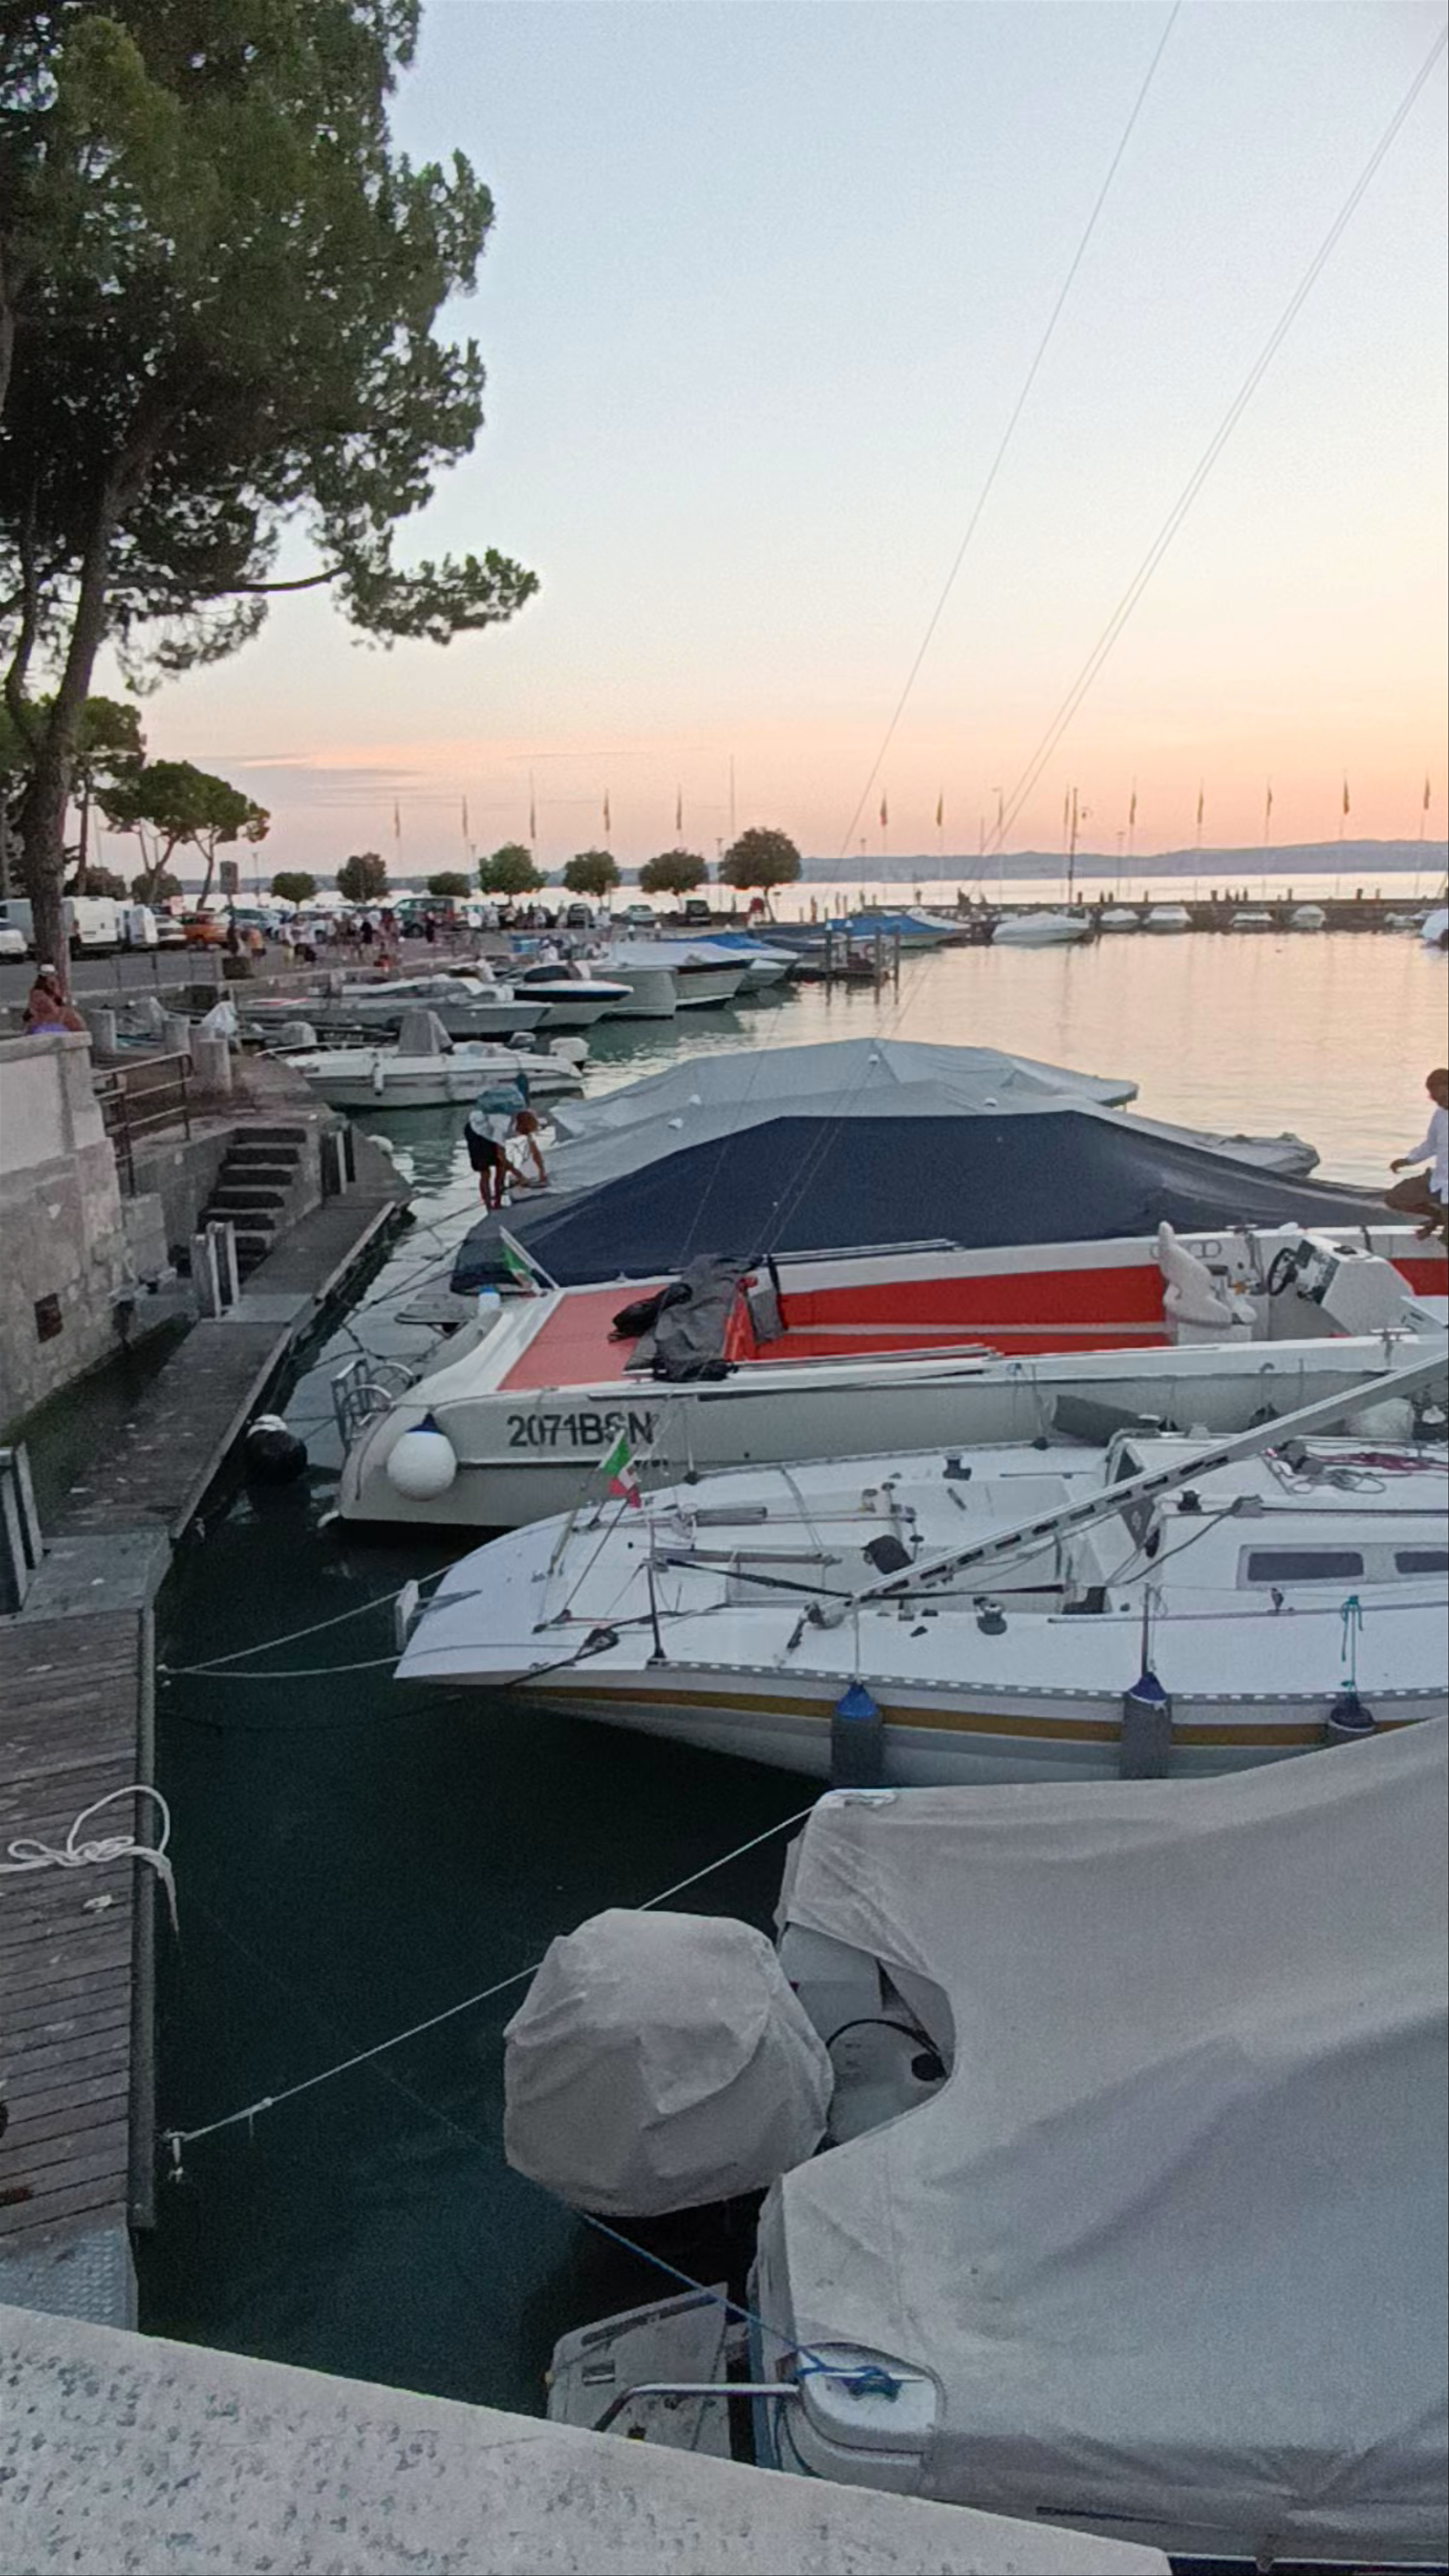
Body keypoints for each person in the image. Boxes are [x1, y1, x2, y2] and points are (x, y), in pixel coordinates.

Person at [1387, 1068, 1449, 1242]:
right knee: (1396, 1198)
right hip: (1438, 1180)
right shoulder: (1440, 1115)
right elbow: (1431, 1145)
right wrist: (1409, 1160)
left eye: (1442, 1098)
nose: (1438, 1103)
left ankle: (1441, 1222)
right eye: (1434, 1099)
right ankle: (1438, 1217)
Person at [22, 967, 85, 1033]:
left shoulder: (51, 991)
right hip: (44, 1024)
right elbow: (48, 1010)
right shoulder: (38, 993)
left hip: (50, 1022)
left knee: (72, 1018)